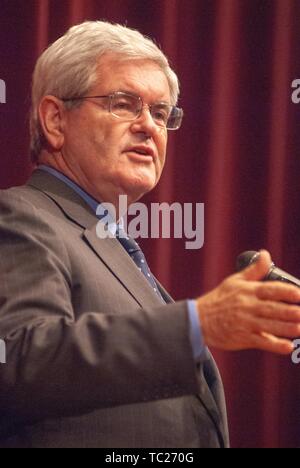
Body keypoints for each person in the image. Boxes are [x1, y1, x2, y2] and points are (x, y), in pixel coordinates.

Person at [0, 20, 300, 449]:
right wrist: (198, 324)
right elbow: (19, 359)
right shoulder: (19, 218)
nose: (149, 126)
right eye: (124, 104)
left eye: (160, 113)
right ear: (55, 119)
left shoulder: (112, 247)